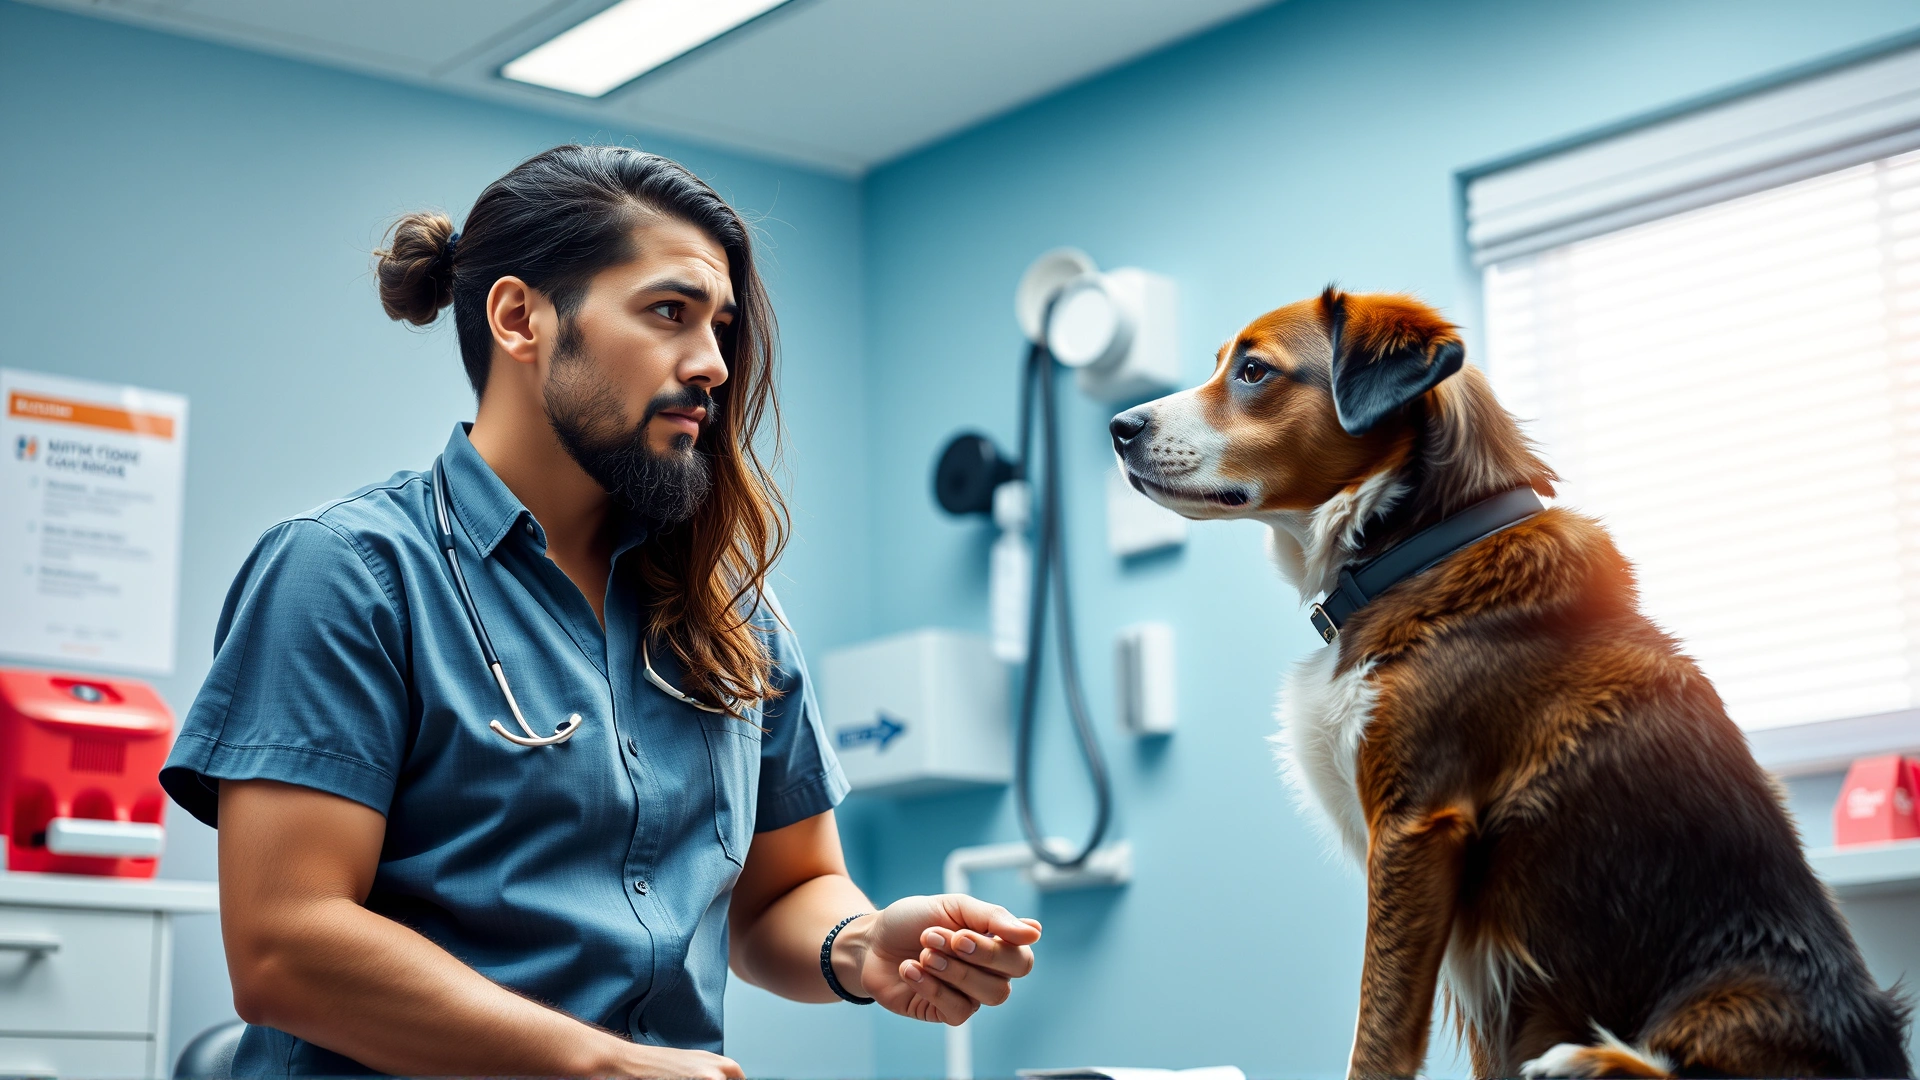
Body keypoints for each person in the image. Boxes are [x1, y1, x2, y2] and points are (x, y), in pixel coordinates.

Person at [160, 145, 1040, 1079]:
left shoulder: (729, 612)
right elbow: (285, 947)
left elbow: (790, 891)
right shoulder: (349, 575)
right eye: (670, 312)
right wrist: (597, 1066)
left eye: (721, 327)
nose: (710, 364)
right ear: (519, 318)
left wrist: (860, 946)